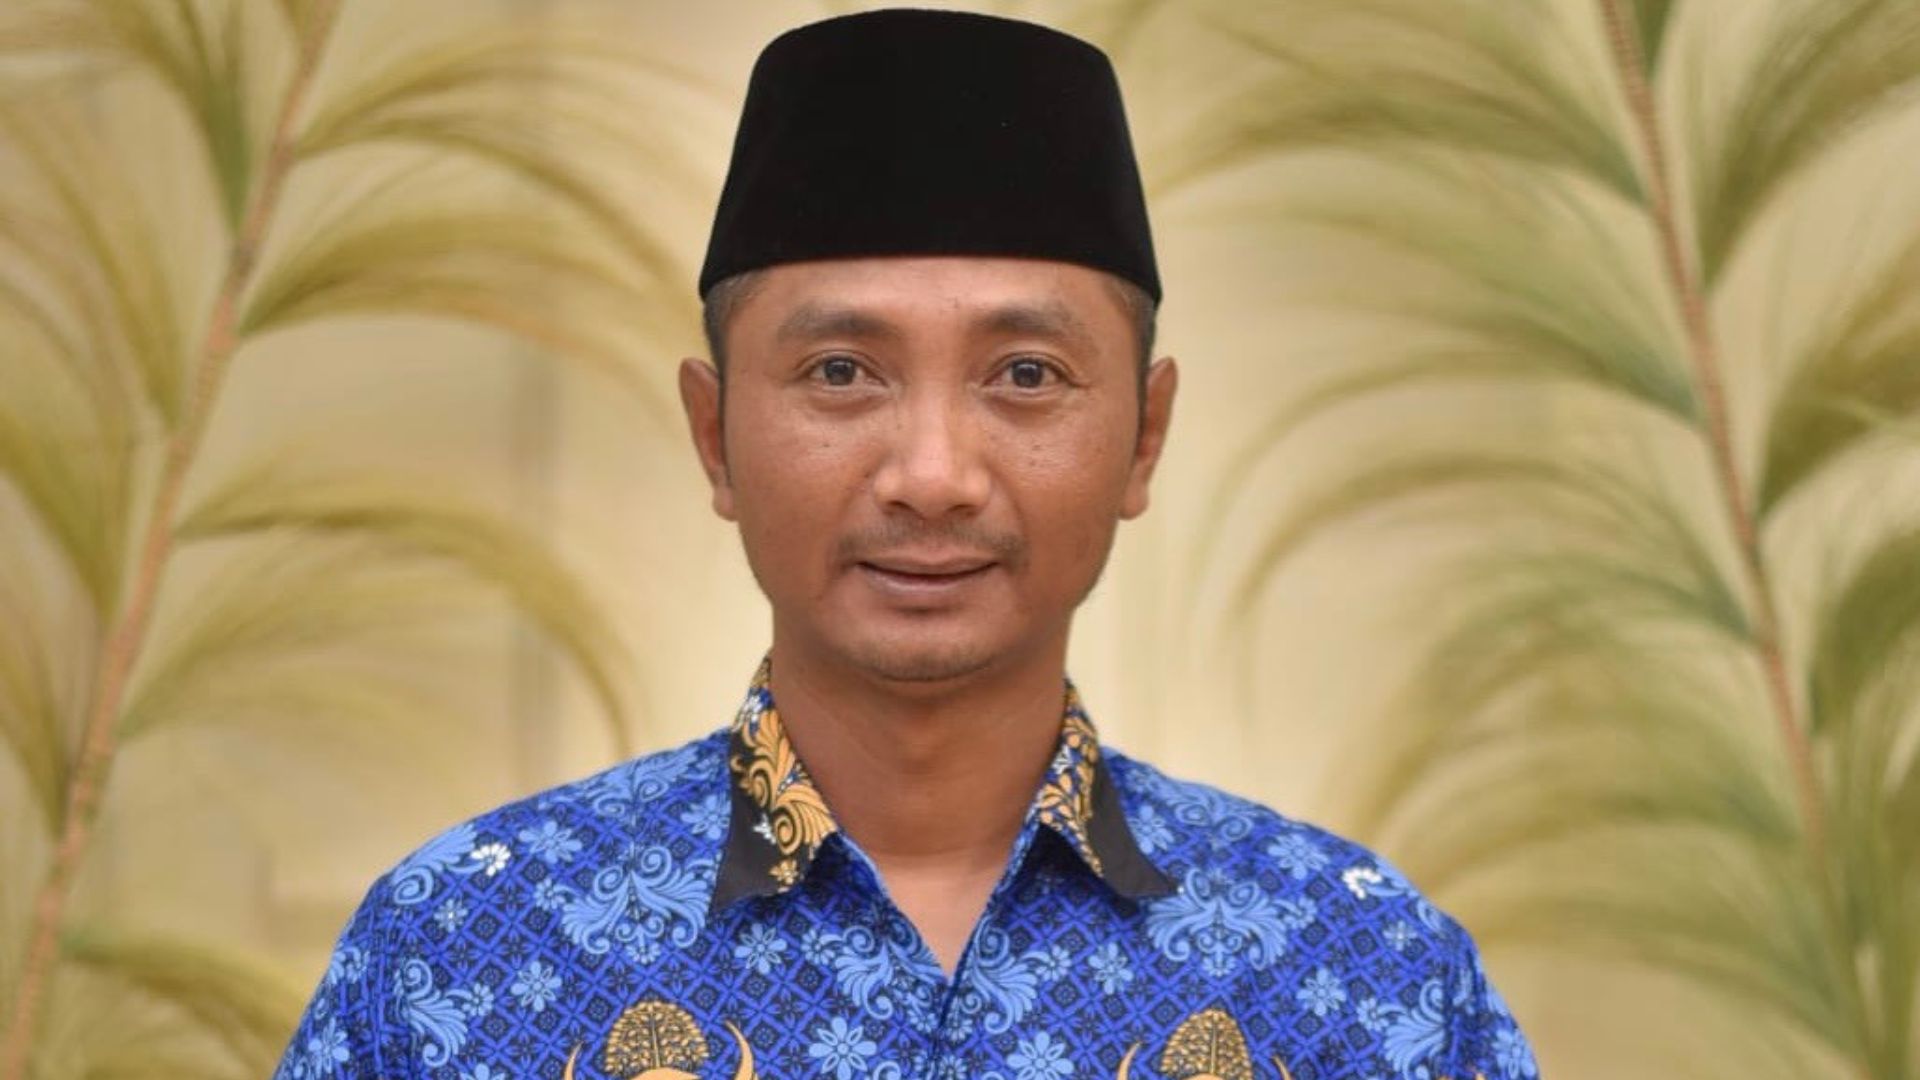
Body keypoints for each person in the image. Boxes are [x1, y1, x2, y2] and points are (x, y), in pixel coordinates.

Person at [273, 9, 1537, 1079]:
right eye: (841, 371)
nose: (933, 476)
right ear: (715, 438)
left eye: (1026, 373)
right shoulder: (459, 954)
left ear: (1144, 438)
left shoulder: (1368, 976)